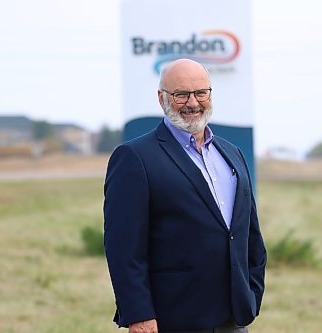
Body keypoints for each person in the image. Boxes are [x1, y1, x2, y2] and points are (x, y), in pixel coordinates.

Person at [103, 59, 266, 333]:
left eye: (201, 93)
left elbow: (249, 234)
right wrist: (138, 314)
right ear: (161, 98)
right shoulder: (135, 158)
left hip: (233, 318)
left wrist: (252, 290)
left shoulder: (232, 155)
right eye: (181, 94)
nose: (193, 103)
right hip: (172, 318)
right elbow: (123, 247)